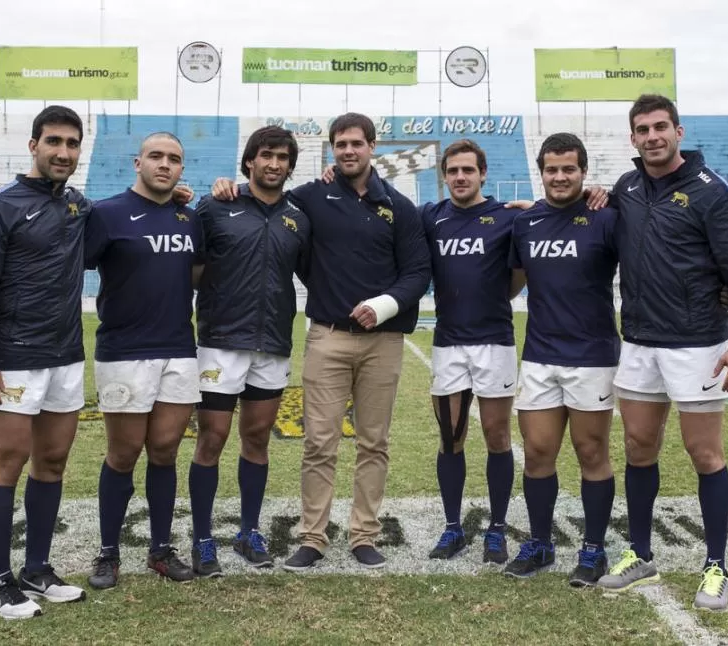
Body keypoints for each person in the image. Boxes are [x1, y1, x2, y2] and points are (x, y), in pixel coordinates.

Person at [211, 113, 431, 570]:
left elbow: (417, 272)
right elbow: (263, 204)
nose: (348, 151)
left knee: (374, 442)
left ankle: (364, 534)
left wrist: (385, 304)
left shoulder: (400, 206)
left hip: (383, 341)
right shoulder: (310, 197)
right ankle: (312, 536)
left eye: (356, 143)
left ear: (372, 147)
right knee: (319, 443)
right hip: (327, 337)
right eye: (339, 145)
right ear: (331, 151)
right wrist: (223, 187)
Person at [595, 94, 728, 612]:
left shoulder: (713, 192)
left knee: (704, 454)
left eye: (660, 127)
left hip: (697, 344)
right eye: (642, 129)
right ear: (632, 138)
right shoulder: (625, 188)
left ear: (679, 132)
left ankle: (716, 565)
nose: (652, 137)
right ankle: (641, 553)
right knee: (639, 448)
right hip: (641, 341)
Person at [0, 106, 89, 619]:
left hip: (66, 357)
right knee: (7, 464)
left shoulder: (79, 207)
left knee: (51, 463)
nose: (63, 152)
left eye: (72, 143)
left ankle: (36, 569)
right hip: (11, 359)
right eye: (53, 141)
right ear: (33, 145)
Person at [189, 126, 310, 576]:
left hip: (273, 345)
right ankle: (203, 538)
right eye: (265, 155)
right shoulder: (216, 206)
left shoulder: (299, 217)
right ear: (249, 162)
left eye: (282, 157)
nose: (274, 163)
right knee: (212, 440)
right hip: (221, 344)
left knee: (257, 440)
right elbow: (191, 269)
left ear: (290, 165)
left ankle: (248, 530)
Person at [84, 132, 203, 589]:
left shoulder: (188, 218)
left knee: (165, 451)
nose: (165, 164)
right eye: (156, 156)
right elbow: (77, 262)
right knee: (123, 453)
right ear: (138, 162)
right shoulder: (107, 214)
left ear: (180, 169)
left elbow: (196, 274)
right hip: (124, 352)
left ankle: (159, 549)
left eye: (174, 158)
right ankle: (108, 553)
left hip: (178, 349)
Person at [504, 133, 620, 587]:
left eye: (568, 169)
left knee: (591, 452)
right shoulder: (526, 223)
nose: (559, 176)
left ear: (583, 171)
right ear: (541, 171)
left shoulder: (605, 217)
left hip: (592, 355)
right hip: (539, 355)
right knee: (537, 453)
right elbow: (511, 286)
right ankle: (540, 543)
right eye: (551, 169)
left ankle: (593, 549)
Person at [413, 139, 522, 564]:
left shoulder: (506, 218)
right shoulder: (432, 217)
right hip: (449, 343)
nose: (460, 177)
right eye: (453, 171)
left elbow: (517, 278)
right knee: (450, 437)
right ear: (443, 175)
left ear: (482, 174)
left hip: (494, 341)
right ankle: (453, 527)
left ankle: (496, 528)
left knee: (497, 435)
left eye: (468, 171)